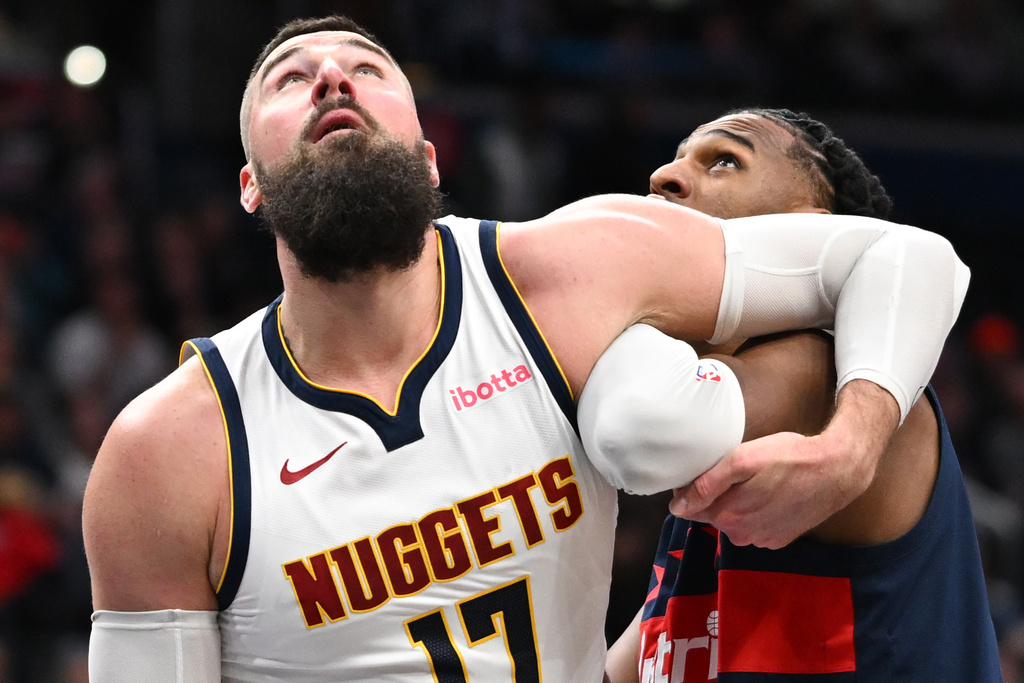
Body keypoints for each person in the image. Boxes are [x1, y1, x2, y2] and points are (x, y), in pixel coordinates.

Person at [82, 16, 969, 682]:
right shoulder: (165, 450)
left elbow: (907, 259)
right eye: (289, 78)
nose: (331, 79)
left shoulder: (570, 285)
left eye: (368, 67)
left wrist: (851, 446)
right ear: (248, 185)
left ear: (432, 156)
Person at [598, 108, 1001, 682]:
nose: (664, 176)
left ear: (813, 227)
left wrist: (598, 302)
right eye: (677, 157)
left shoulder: (821, 377)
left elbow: (645, 427)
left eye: (725, 161)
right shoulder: (721, 468)